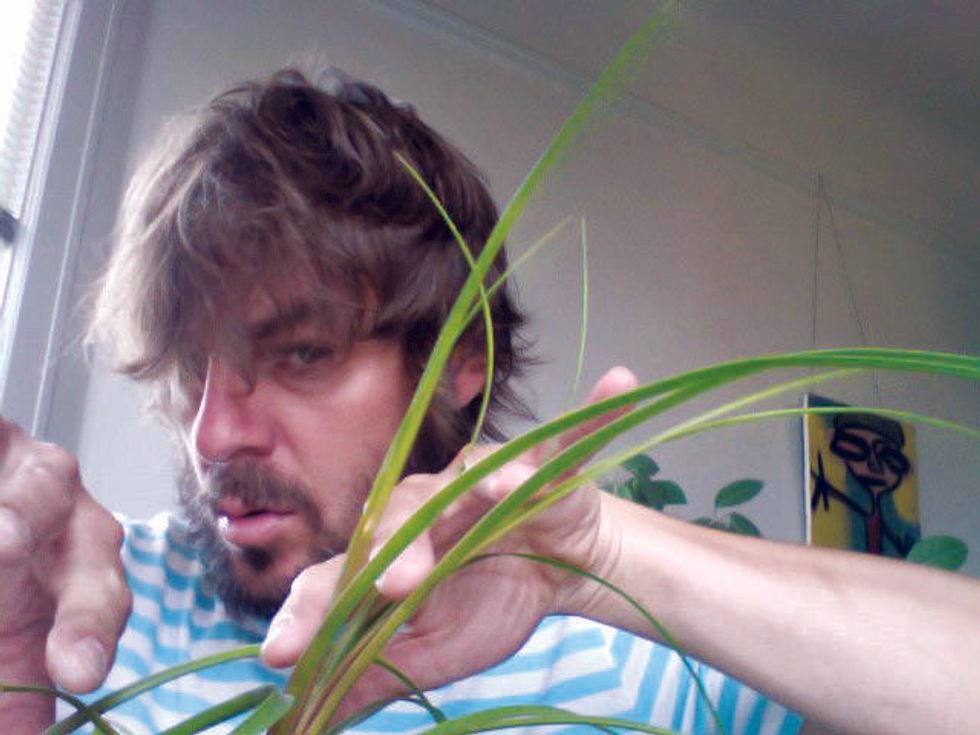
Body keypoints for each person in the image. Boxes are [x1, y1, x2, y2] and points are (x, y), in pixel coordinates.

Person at [0, 68, 977, 735]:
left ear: (458, 363)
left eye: (299, 353)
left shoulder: (617, 659)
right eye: (186, 365)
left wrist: (599, 557)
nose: (213, 433)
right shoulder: (69, 614)